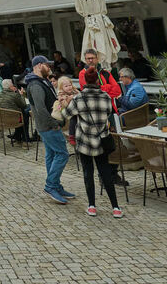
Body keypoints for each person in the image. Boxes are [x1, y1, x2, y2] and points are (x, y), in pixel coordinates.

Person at [62, 67, 123, 218]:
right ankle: (115, 207)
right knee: (105, 172)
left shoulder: (79, 98)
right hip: (102, 140)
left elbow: (66, 114)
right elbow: (109, 112)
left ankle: (92, 206)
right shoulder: (105, 96)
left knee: (88, 173)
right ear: (97, 80)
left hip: (85, 141)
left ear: (85, 81)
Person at [25, 55, 72, 205]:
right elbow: (40, 109)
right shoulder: (35, 85)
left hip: (46, 125)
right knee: (62, 154)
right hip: (48, 126)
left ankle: (56, 186)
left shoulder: (41, 81)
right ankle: (51, 186)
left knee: (51, 155)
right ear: (39, 66)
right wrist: (54, 123)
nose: (50, 67)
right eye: (47, 65)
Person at [78, 48, 122, 112]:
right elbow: (92, 92)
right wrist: (108, 87)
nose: (90, 60)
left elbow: (117, 91)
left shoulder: (105, 72)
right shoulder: (83, 74)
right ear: (85, 60)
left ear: (97, 59)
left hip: (110, 108)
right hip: (93, 109)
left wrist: (100, 89)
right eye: (88, 58)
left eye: (92, 58)